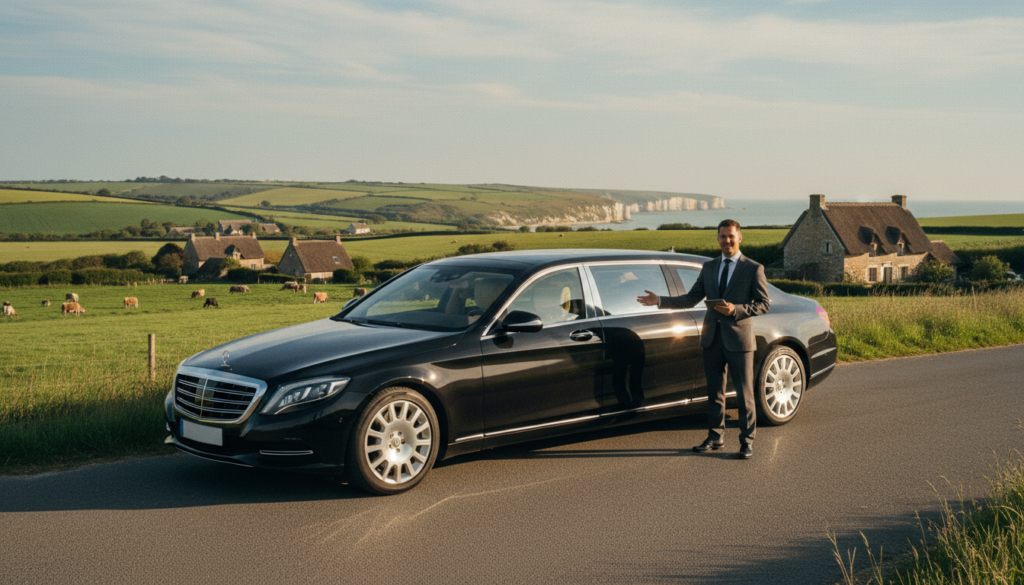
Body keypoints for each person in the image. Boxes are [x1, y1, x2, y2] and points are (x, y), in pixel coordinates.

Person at [636, 219, 770, 459]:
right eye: (722, 236)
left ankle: (747, 441)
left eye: (731, 236)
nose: (726, 240)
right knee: (715, 391)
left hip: (739, 341)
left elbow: (763, 304)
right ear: (717, 238)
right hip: (712, 339)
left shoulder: (753, 268)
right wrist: (659, 301)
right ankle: (715, 436)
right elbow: (690, 299)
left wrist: (736, 310)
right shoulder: (708, 268)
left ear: (740, 238)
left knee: (744, 393)